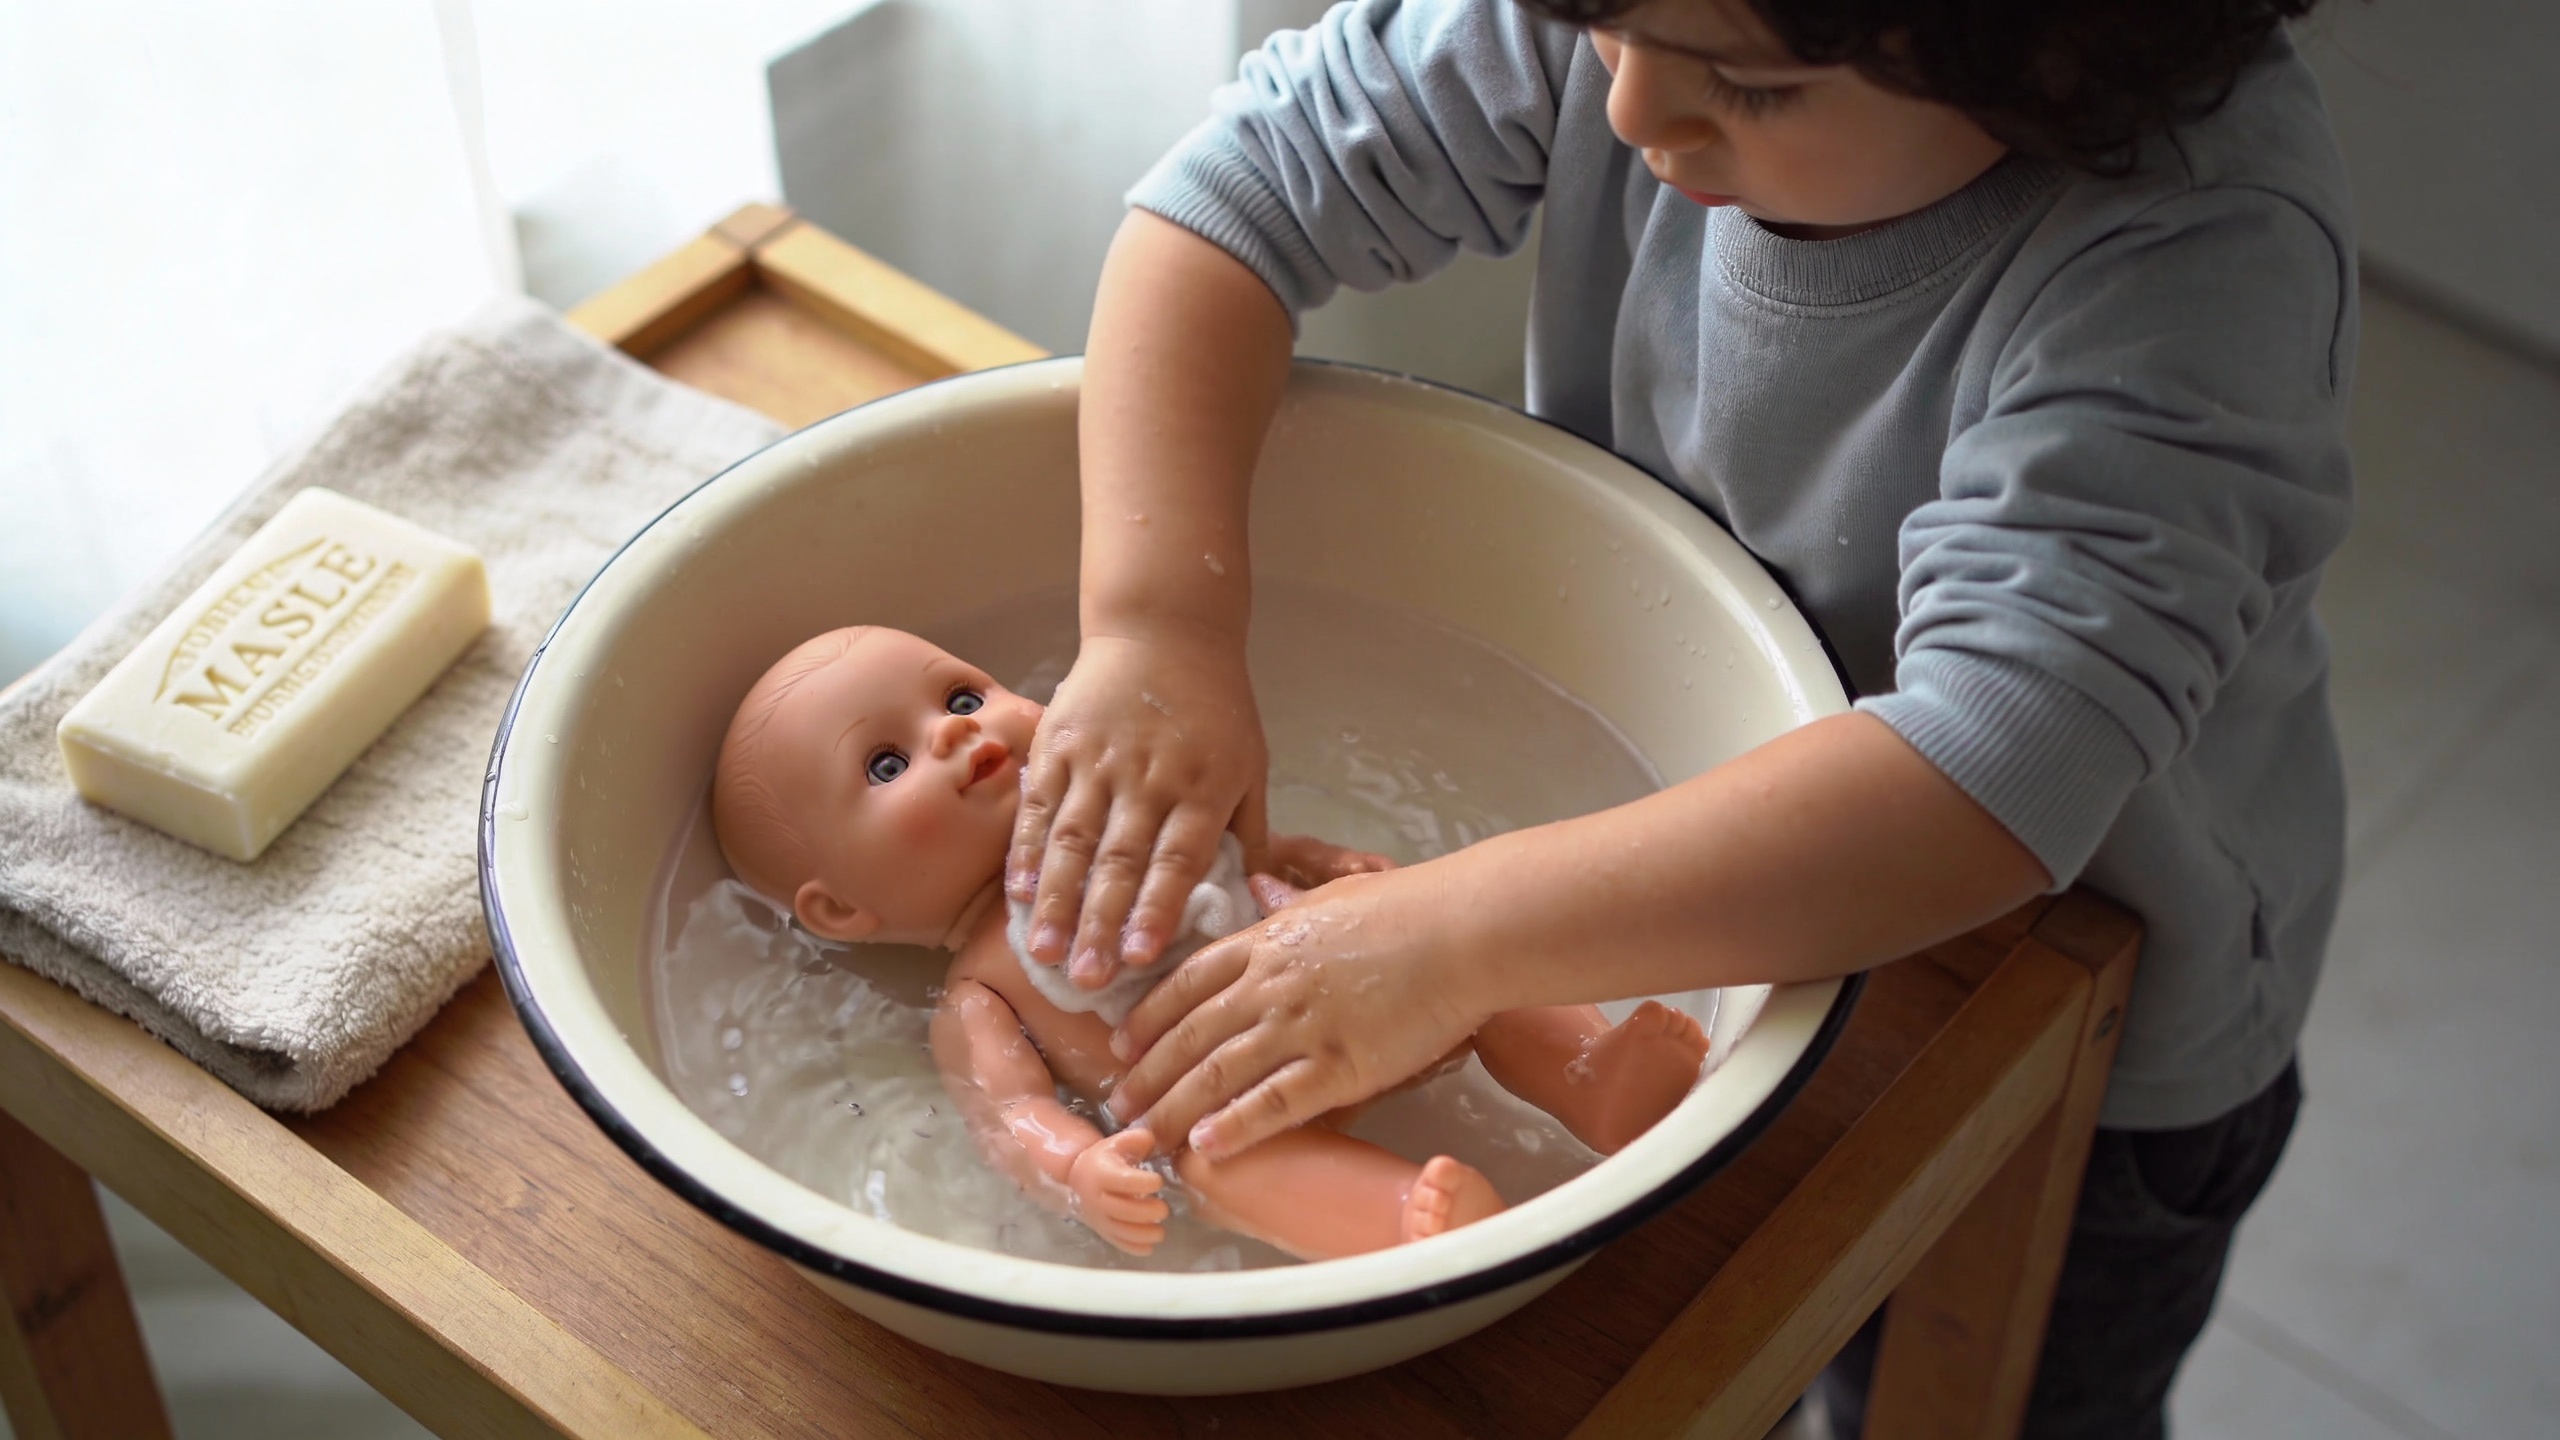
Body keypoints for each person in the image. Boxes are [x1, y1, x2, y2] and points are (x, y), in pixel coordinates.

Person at [1004, 0, 2348, 1431]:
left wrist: (1437, 942)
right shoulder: (1656, 21)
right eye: (1591, 23)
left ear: (2058, 51)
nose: (1633, 111)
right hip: (1665, 887)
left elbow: (1993, 771)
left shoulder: (2192, 268)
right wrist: (1159, 625)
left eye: (1752, 89)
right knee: (1716, 1329)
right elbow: (1233, 200)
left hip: (2056, 990)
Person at [708, 624, 1714, 1260]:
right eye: (886, 764)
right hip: (1230, 1107)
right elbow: (1009, 1111)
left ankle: (1588, 1073)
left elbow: (1259, 853)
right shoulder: (981, 993)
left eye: (962, 696)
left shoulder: (1134, 801)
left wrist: (1341, 873)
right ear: (839, 911)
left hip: (1378, 983)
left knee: (1457, 925)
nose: (956, 733)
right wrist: (1079, 1173)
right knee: (1217, 1168)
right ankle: (1406, 1223)